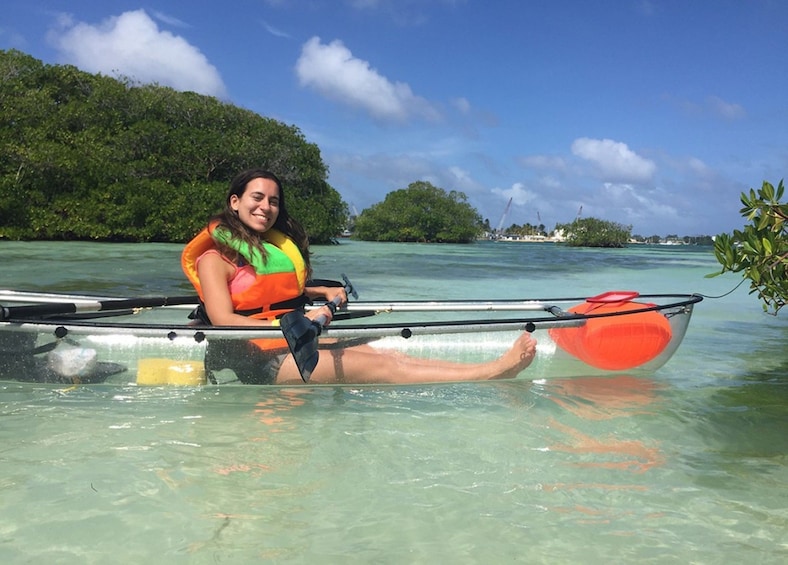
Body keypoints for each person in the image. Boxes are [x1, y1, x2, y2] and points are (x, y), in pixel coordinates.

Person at [182, 168, 536, 385]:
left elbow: (271, 293)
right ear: (234, 202)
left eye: (274, 201)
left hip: (297, 339)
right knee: (383, 367)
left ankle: (487, 368)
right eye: (257, 198)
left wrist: (320, 292)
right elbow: (223, 320)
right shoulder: (214, 259)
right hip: (257, 362)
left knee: (394, 356)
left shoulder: (268, 253)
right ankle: (489, 373)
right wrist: (297, 323)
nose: (266, 207)